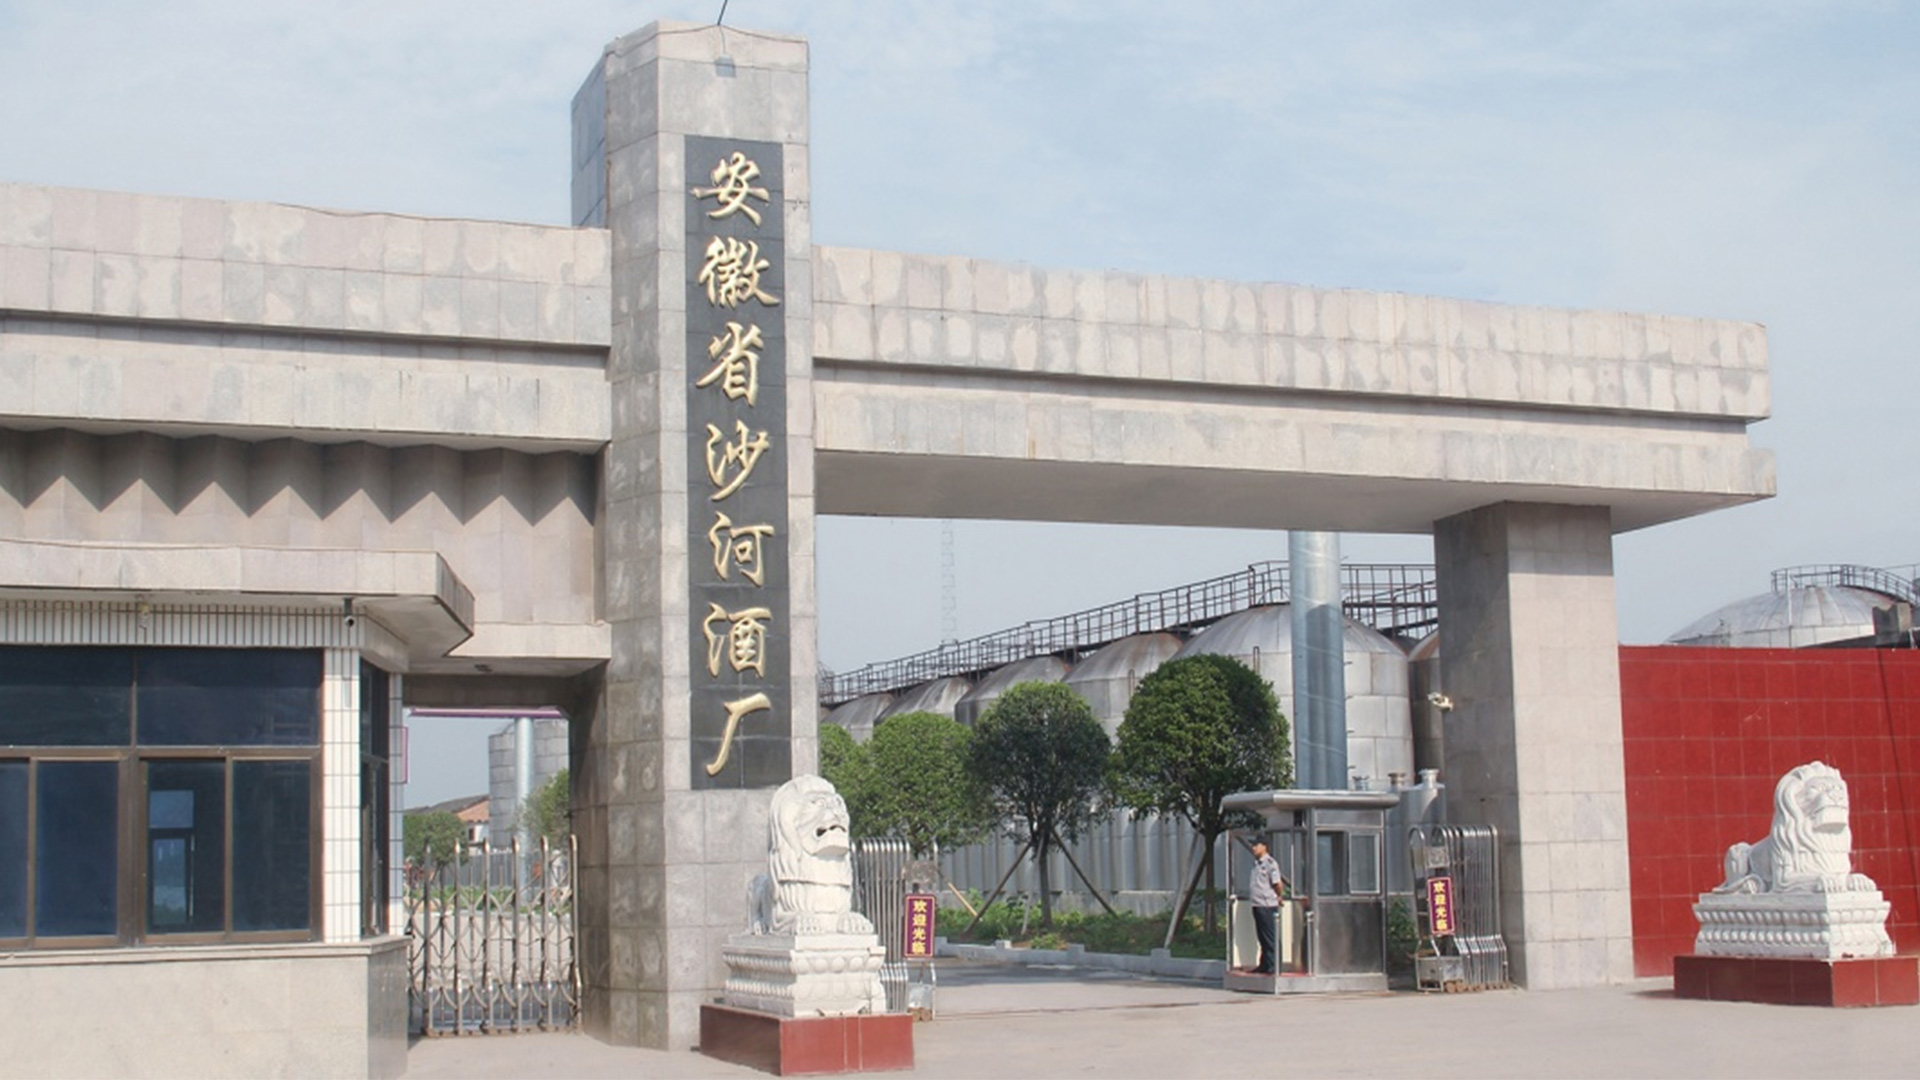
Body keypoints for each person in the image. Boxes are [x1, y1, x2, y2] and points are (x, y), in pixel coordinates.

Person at [1248, 839, 1289, 975]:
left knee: (1270, 936)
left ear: (1264, 846)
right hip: (1257, 904)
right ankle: (1265, 964)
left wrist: (1279, 896)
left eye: (1256, 845)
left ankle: (1274, 965)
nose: (1253, 848)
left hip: (1267, 905)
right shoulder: (1256, 864)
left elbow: (1277, 883)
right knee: (1262, 937)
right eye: (1253, 845)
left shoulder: (1270, 864)